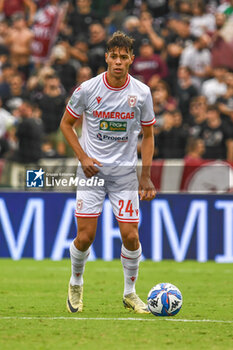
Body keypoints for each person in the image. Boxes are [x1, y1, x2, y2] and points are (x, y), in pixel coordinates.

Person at [60, 31, 156, 314]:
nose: (117, 61)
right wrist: (83, 157)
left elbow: (148, 135)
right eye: (113, 56)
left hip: (125, 175)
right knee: (86, 236)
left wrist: (146, 174)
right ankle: (76, 282)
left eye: (123, 57)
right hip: (92, 174)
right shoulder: (87, 90)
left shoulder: (141, 93)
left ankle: (130, 293)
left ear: (131, 60)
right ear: (106, 58)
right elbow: (66, 124)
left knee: (131, 237)